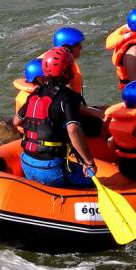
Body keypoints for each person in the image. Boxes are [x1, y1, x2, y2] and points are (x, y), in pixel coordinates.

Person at [14, 46, 97, 188]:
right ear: (66, 71)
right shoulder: (69, 96)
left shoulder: (35, 93)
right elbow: (73, 130)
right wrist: (89, 162)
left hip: (26, 163)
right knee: (91, 180)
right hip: (50, 169)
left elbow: (17, 121)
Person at [53, 26, 105, 136]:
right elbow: (71, 105)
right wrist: (100, 115)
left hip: (68, 111)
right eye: (77, 45)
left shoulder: (57, 64)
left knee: (106, 109)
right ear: (66, 48)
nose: (81, 47)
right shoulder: (63, 71)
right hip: (65, 119)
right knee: (108, 120)